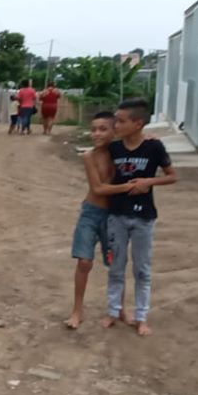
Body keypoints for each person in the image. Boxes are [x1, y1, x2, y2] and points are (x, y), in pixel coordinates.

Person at [101, 99, 177, 337]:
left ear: (138, 123)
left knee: (142, 269)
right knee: (116, 266)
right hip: (117, 215)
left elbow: (172, 176)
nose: (116, 125)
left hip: (143, 217)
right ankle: (114, 310)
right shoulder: (114, 149)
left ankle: (141, 316)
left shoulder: (154, 147)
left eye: (121, 121)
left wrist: (149, 181)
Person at [64, 112, 135, 329]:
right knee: (84, 261)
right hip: (91, 212)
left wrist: (149, 137)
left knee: (116, 264)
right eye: (93, 129)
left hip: (113, 215)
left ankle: (119, 308)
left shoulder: (121, 154)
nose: (96, 134)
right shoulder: (89, 156)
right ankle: (77, 310)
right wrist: (130, 187)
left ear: (115, 131)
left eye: (103, 129)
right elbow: (98, 188)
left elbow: (140, 143)